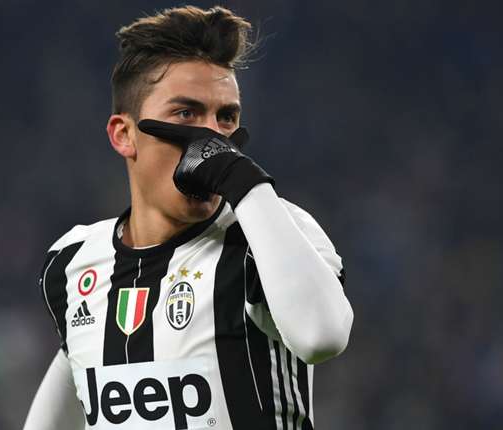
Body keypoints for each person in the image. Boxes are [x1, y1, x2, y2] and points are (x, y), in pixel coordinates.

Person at [23, 5, 353, 430]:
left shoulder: (273, 234)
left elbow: (322, 337)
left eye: (226, 117)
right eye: (186, 114)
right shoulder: (73, 261)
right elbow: (76, 378)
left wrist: (245, 183)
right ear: (124, 134)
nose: (211, 137)